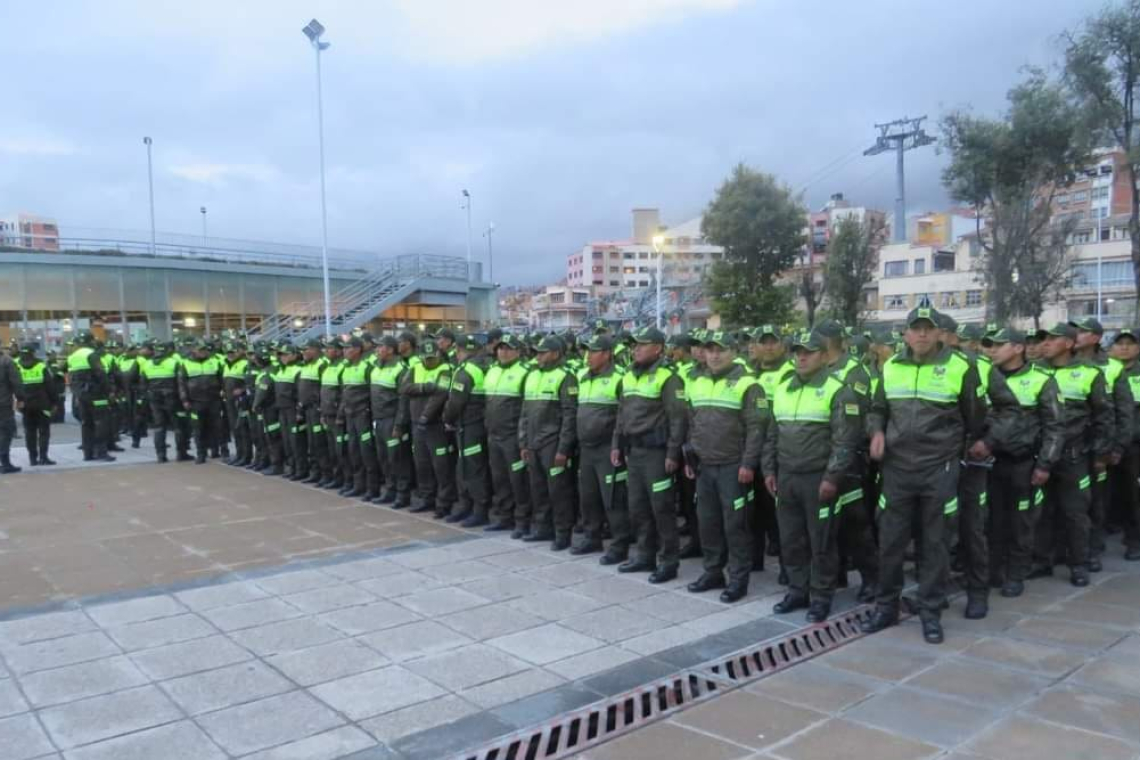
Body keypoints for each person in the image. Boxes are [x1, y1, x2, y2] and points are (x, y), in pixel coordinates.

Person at [864, 307, 986, 644]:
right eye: (914, 329)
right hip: (897, 469)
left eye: (927, 329)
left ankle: (930, 612)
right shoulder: (890, 367)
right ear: (905, 334)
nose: (921, 335)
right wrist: (875, 431)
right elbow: (877, 409)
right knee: (890, 541)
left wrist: (963, 447)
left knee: (935, 544)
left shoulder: (961, 367)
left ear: (938, 334)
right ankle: (886, 607)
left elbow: (975, 417)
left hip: (939, 468)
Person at [765, 328, 862, 620]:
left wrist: (832, 478)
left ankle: (821, 596)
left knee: (821, 541)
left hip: (817, 478)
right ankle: (798, 590)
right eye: (798, 352)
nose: (802, 357)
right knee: (791, 538)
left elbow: (845, 440)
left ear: (823, 355)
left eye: (809, 352)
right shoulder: (783, 387)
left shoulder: (838, 389)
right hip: (787, 477)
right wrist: (769, 469)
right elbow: (772, 433)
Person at [685, 330, 766, 603]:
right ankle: (712, 572)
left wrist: (749, 463)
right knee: (707, 522)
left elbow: (757, 428)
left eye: (720, 350)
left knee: (736, 526)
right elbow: (692, 422)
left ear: (733, 352)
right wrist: (690, 456)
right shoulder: (697, 382)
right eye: (710, 350)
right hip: (704, 466)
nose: (715, 355)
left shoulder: (748, 384)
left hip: (733, 466)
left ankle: (738, 579)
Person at [983, 328, 1064, 597]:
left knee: (1022, 521)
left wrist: (1045, 464)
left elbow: (1055, 426)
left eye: (998, 345)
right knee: (992, 520)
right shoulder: (984, 377)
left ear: (1018, 348)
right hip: (990, 462)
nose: (991, 350)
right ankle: (993, 571)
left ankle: (1016, 574)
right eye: (989, 345)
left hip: (1023, 462)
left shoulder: (1041, 380)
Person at [1031, 323, 1113, 586]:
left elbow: (1104, 417)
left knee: (1075, 512)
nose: (1045, 344)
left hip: (1073, 455)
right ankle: (1042, 560)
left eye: (1052, 340)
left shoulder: (1089, 373)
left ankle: (1079, 563)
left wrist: (1101, 454)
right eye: (1044, 340)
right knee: (1041, 510)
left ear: (1067, 343)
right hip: (1040, 454)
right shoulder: (1033, 370)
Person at [612, 326, 688, 584]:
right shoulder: (628, 377)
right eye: (635, 344)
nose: (637, 349)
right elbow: (621, 415)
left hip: (657, 454)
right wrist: (616, 445)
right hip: (634, 451)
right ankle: (645, 555)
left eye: (643, 344)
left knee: (662, 509)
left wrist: (673, 453)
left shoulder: (668, 377)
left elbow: (677, 419)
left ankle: (668, 561)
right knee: (638, 507)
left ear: (658, 348)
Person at [1070, 317, 1131, 572]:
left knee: (1095, 501)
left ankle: (1092, 550)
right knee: (1072, 503)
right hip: (1071, 446)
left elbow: (1123, 411)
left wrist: (1116, 447)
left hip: (1098, 446)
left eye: (1082, 332)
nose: (1076, 335)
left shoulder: (1113, 367)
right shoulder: (1064, 364)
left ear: (1095, 338)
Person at [519, 334, 579, 549]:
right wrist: (523, 442)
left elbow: (569, 415)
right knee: (538, 489)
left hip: (552, 444)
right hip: (534, 443)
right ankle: (542, 528)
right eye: (537, 352)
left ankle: (562, 533)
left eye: (543, 352)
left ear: (555, 354)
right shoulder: (533, 375)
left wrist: (563, 449)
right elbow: (525, 412)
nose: (539, 356)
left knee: (558, 491)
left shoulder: (565, 376)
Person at [576, 334, 630, 561]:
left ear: (607, 354)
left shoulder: (620, 378)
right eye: (587, 351)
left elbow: (624, 416)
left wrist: (617, 446)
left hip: (608, 448)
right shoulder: (582, 376)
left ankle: (619, 546)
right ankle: (592, 538)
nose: (589, 356)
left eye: (594, 351)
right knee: (588, 496)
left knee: (613, 499)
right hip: (586, 448)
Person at [749, 325, 793, 575]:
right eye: (763, 342)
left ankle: (788, 568)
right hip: (751, 450)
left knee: (781, 515)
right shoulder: (748, 373)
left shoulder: (790, 373)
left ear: (782, 346)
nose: (768, 347)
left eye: (773, 342)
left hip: (777, 452)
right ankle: (754, 560)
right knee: (752, 511)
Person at [484, 334, 533, 535]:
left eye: (508, 348)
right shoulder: (492, 370)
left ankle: (522, 521)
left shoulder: (526, 372)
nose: (503, 352)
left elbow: (527, 410)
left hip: (512, 437)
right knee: (500, 479)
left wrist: (523, 440)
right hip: (494, 435)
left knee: (518, 481)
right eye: (501, 348)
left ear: (518, 351)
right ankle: (504, 516)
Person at [443, 333, 493, 526]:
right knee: (470, 466)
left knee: (471, 468)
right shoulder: (486, 365)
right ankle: (467, 506)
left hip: (469, 426)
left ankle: (478, 510)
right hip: (479, 424)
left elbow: (456, 401)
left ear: (459, 351)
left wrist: (447, 419)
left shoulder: (465, 370)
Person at [402, 339, 456, 517]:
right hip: (417, 425)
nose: (429, 361)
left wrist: (426, 416)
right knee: (422, 463)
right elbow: (404, 388)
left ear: (438, 354)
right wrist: (426, 387)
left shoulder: (446, 370)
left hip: (435, 426)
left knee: (441, 466)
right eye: (426, 358)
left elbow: (440, 395)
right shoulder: (415, 368)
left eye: (432, 357)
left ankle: (444, 502)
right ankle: (427, 498)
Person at [1107, 328, 1140, 562]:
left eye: (1130, 343)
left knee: (1134, 493)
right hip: (1107, 441)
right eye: (1120, 343)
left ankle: (1134, 539)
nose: (1124, 348)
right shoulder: (1104, 371)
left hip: (1135, 444)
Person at [339, 337, 381, 500]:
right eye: (343, 348)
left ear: (357, 349)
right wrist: (341, 415)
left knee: (367, 453)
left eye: (347, 348)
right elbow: (345, 393)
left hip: (363, 416)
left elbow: (374, 393)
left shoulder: (367, 367)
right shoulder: (347, 367)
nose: (344, 351)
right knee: (354, 451)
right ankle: (359, 485)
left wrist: (370, 414)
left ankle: (373, 488)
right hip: (350, 416)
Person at [67, 331, 116, 463]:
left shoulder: (72, 356)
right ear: (91, 342)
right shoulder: (92, 354)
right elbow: (100, 374)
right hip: (97, 393)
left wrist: (77, 393)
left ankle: (87, 453)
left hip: (81, 395)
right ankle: (101, 452)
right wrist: (109, 391)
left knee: (86, 423)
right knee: (101, 422)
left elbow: (71, 377)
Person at [179, 340, 225, 464]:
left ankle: (215, 450)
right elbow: (182, 383)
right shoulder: (186, 363)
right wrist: (185, 400)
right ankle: (201, 454)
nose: (203, 352)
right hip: (195, 402)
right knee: (198, 429)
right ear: (194, 350)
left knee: (216, 426)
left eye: (204, 350)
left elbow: (222, 379)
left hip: (214, 400)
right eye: (200, 350)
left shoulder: (215, 362)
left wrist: (223, 392)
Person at [17, 344, 58, 466]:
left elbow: (14, 386)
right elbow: (50, 387)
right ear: (33, 353)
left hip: (26, 406)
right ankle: (44, 457)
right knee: (44, 432)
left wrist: (18, 400)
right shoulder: (41, 366)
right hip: (42, 405)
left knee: (30, 432)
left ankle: (32, 459)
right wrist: (55, 402)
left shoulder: (17, 367)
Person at [295, 339, 329, 483]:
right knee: (312, 442)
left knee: (319, 443)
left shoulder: (322, 364)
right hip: (307, 410)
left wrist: (321, 409)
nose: (304, 352)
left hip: (316, 410)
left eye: (307, 349)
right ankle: (315, 472)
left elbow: (324, 388)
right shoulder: (305, 365)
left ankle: (326, 474)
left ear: (315, 350)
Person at [0, 347, 24, 473]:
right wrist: (20, 398)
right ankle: (5, 463)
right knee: (5, 432)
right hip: (3, 404)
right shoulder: (6, 361)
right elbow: (16, 382)